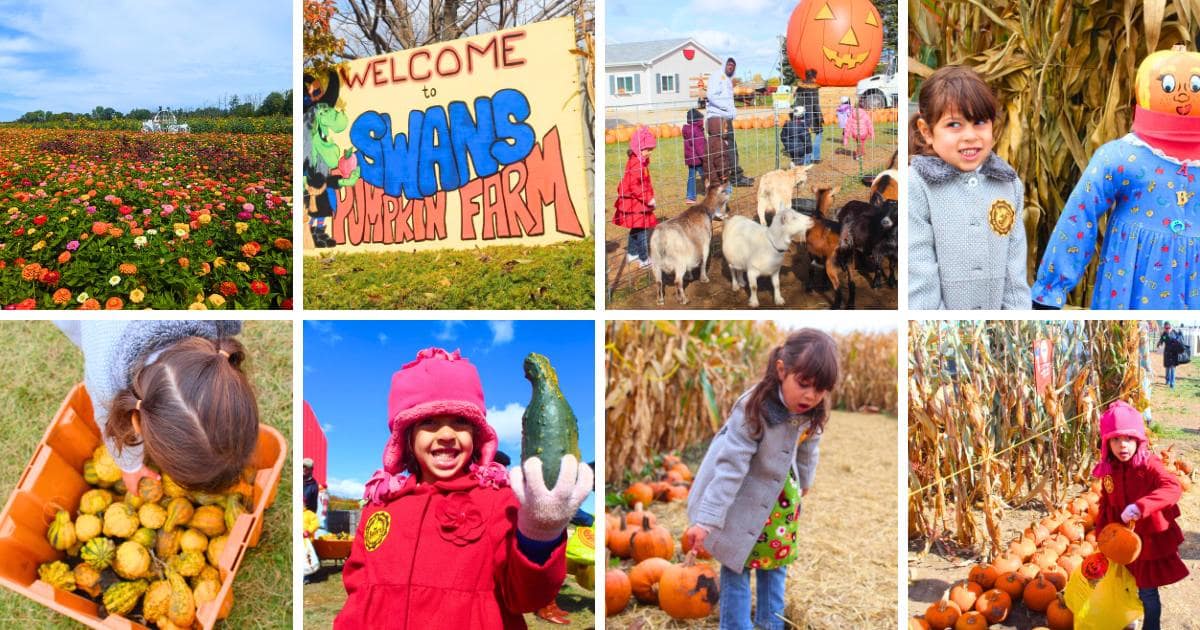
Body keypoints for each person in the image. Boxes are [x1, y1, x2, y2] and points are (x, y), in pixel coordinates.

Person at [335, 348, 592, 630]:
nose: (446, 434)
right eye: (429, 422)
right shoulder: (382, 505)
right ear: (406, 436)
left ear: (477, 435)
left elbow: (526, 597)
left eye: (460, 422)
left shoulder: (499, 502)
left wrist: (541, 532)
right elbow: (358, 589)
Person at [682, 329, 839, 630]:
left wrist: (805, 480)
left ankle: (771, 623)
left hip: (779, 507)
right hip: (740, 502)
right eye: (803, 384)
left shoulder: (813, 410)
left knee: (774, 570)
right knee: (735, 567)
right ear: (782, 370)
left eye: (820, 390)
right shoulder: (754, 408)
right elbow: (730, 468)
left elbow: (808, 446)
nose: (810, 395)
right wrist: (707, 520)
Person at [54, 321, 258, 492]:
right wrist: (130, 467)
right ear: (136, 421)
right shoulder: (106, 380)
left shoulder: (215, 322)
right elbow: (111, 423)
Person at [908, 65, 1030, 310]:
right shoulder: (918, 186)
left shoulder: (1008, 184)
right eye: (954, 124)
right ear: (927, 131)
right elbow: (921, 285)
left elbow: (1014, 277)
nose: (970, 136)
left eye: (980, 122)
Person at [1092, 401, 1188, 630]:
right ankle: (1128, 619)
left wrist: (1141, 506)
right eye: (1115, 439)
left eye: (1128, 438)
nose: (1122, 445)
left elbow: (1172, 487)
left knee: (1148, 592)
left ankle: (1152, 626)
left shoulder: (1150, 465)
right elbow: (1106, 504)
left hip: (1147, 543)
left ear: (1138, 439)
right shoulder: (1109, 470)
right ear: (1107, 442)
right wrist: (1102, 536)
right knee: (1123, 584)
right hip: (1121, 541)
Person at [612, 125, 657, 269]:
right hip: (636, 202)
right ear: (638, 148)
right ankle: (644, 259)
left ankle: (632, 252)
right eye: (647, 149)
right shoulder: (636, 164)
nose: (649, 152)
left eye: (651, 149)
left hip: (636, 202)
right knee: (643, 230)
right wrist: (648, 198)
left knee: (636, 227)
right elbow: (636, 186)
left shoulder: (640, 162)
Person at [706, 57, 754, 187]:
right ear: (724, 65)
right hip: (718, 118)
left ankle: (734, 175)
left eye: (733, 65)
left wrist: (732, 109)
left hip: (725, 118)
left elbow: (726, 99)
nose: (731, 67)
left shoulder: (727, 80)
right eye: (729, 65)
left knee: (731, 147)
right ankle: (723, 178)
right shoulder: (717, 76)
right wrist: (726, 108)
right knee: (721, 149)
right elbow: (711, 95)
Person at [794, 70, 825, 163]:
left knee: (805, 137)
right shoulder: (814, 88)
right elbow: (815, 104)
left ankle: (806, 159)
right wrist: (820, 116)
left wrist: (796, 115)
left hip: (801, 115)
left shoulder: (799, 88)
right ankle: (815, 157)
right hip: (813, 115)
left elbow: (797, 102)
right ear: (813, 77)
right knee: (819, 133)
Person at [682, 107, 707, 203]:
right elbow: (699, 147)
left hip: (690, 159)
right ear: (698, 120)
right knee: (706, 175)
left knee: (691, 177)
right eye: (702, 120)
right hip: (699, 160)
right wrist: (705, 158)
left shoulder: (687, 129)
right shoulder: (697, 131)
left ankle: (690, 197)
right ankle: (710, 191)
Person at [843, 95, 875, 160]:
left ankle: (861, 152)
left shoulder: (851, 114)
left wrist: (846, 138)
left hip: (855, 134)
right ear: (862, 107)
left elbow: (847, 126)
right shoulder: (865, 114)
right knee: (860, 142)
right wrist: (872, 134)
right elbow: (869, 124)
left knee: (859, 142)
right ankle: (858, 155)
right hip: (864, 133)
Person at [1157, 323, 1184, 388]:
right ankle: (1167, 380)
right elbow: (1161, 340)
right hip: (1167, 353)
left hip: (1174, 353)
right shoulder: (1164, 334)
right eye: (1166, 328)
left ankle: (1172, 383)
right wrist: (1159, 343)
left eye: (1169, 328)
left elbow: (1180, 339)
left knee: (1172, 368)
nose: (1167, 329)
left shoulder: (1175, 333)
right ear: (1164, 328)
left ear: (1171, 327)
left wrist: (1181, 333)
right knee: (1167, 368)